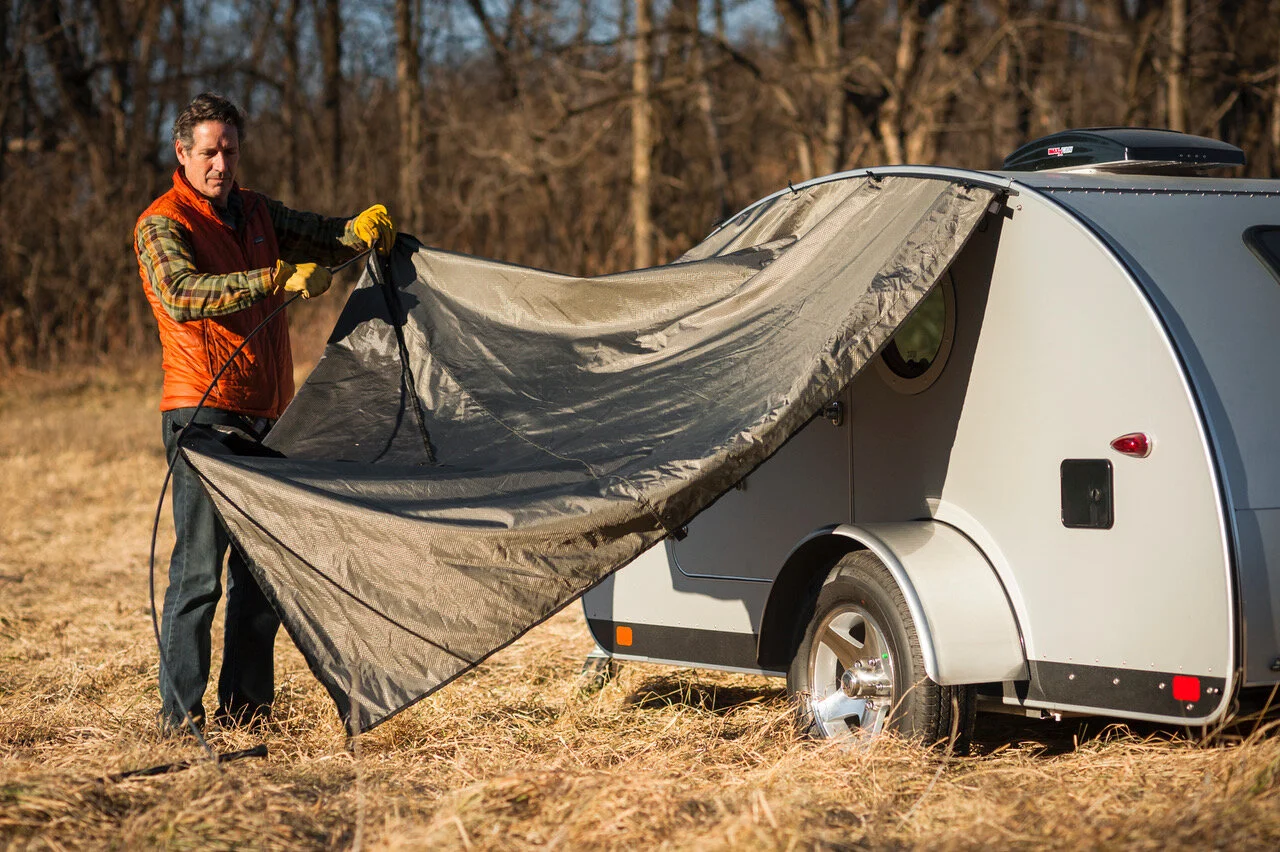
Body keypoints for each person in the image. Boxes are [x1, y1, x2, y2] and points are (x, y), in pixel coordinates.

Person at [134, 92, 396, 734]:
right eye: (208, 153)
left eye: (229, 150)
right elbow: (182, 293)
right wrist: (274, 278)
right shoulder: (160, 224)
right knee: (200, 571)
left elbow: (325, 239)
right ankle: (180, 717)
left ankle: (247, 714)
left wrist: (357, 232)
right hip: (201, 414)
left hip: (267, 417)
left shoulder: (257, 211)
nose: (220, 164)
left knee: (260, 575)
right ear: (182, 154)